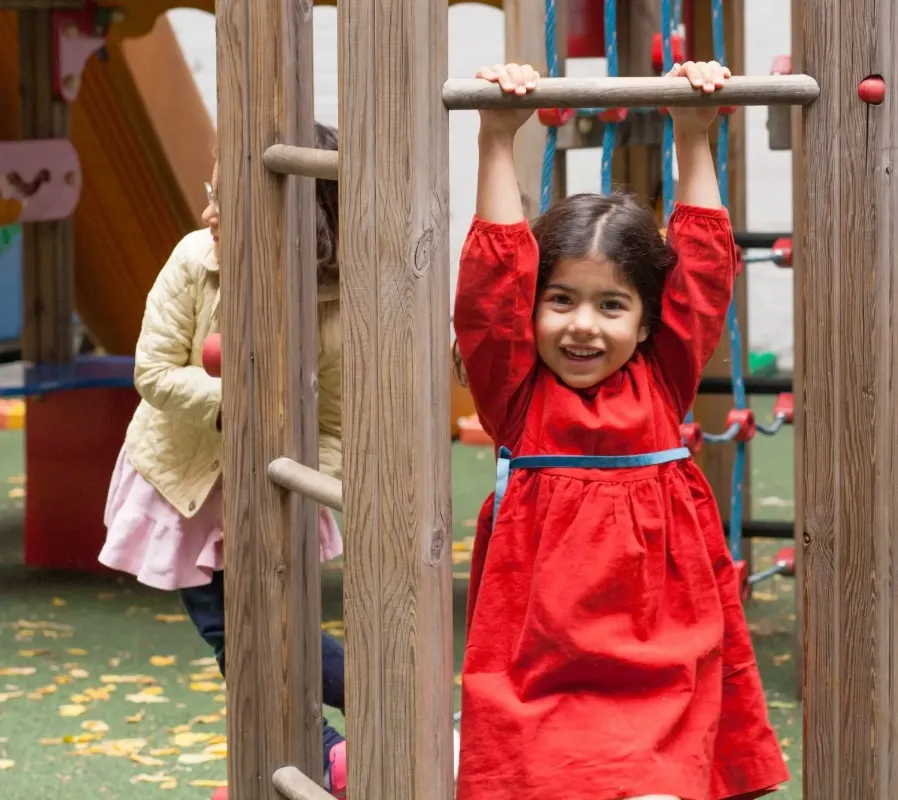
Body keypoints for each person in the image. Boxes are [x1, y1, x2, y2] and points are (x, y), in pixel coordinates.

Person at [452, 61, 789, 800]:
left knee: (655, 786)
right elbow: (490, 291)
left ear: (645, 323)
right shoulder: (517, 394)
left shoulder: (661, 379)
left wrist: (694, 131)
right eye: (561, 300)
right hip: (541, 654)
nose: (581, 325)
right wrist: (497, 138)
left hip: (659, 644)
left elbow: (702, 274)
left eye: (611, 307)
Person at [99, 124, 350, 796]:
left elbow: (332, 427)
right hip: (185, 480)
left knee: (279, 621)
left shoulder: (333, 302)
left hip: (274, 484)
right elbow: (152, 371)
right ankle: (332, 748)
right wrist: (235, 399)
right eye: (213, 193)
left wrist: (289, 499)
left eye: (225, 201)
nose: (208, 213)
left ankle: (367, 720)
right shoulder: (193, 260)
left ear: (304, 223)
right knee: (228, 630)